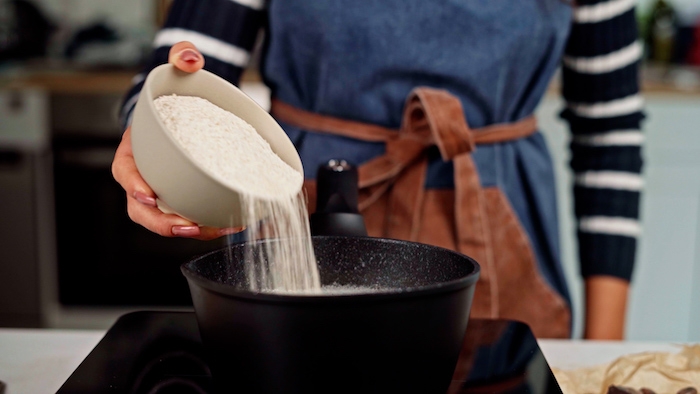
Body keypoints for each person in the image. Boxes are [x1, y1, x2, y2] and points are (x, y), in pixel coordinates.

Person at [113, 0, 644, 341]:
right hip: (300, 216)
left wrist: (603, 350)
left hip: (503, 236)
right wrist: (153, 130)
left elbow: (611, 131)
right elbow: (185, 67)